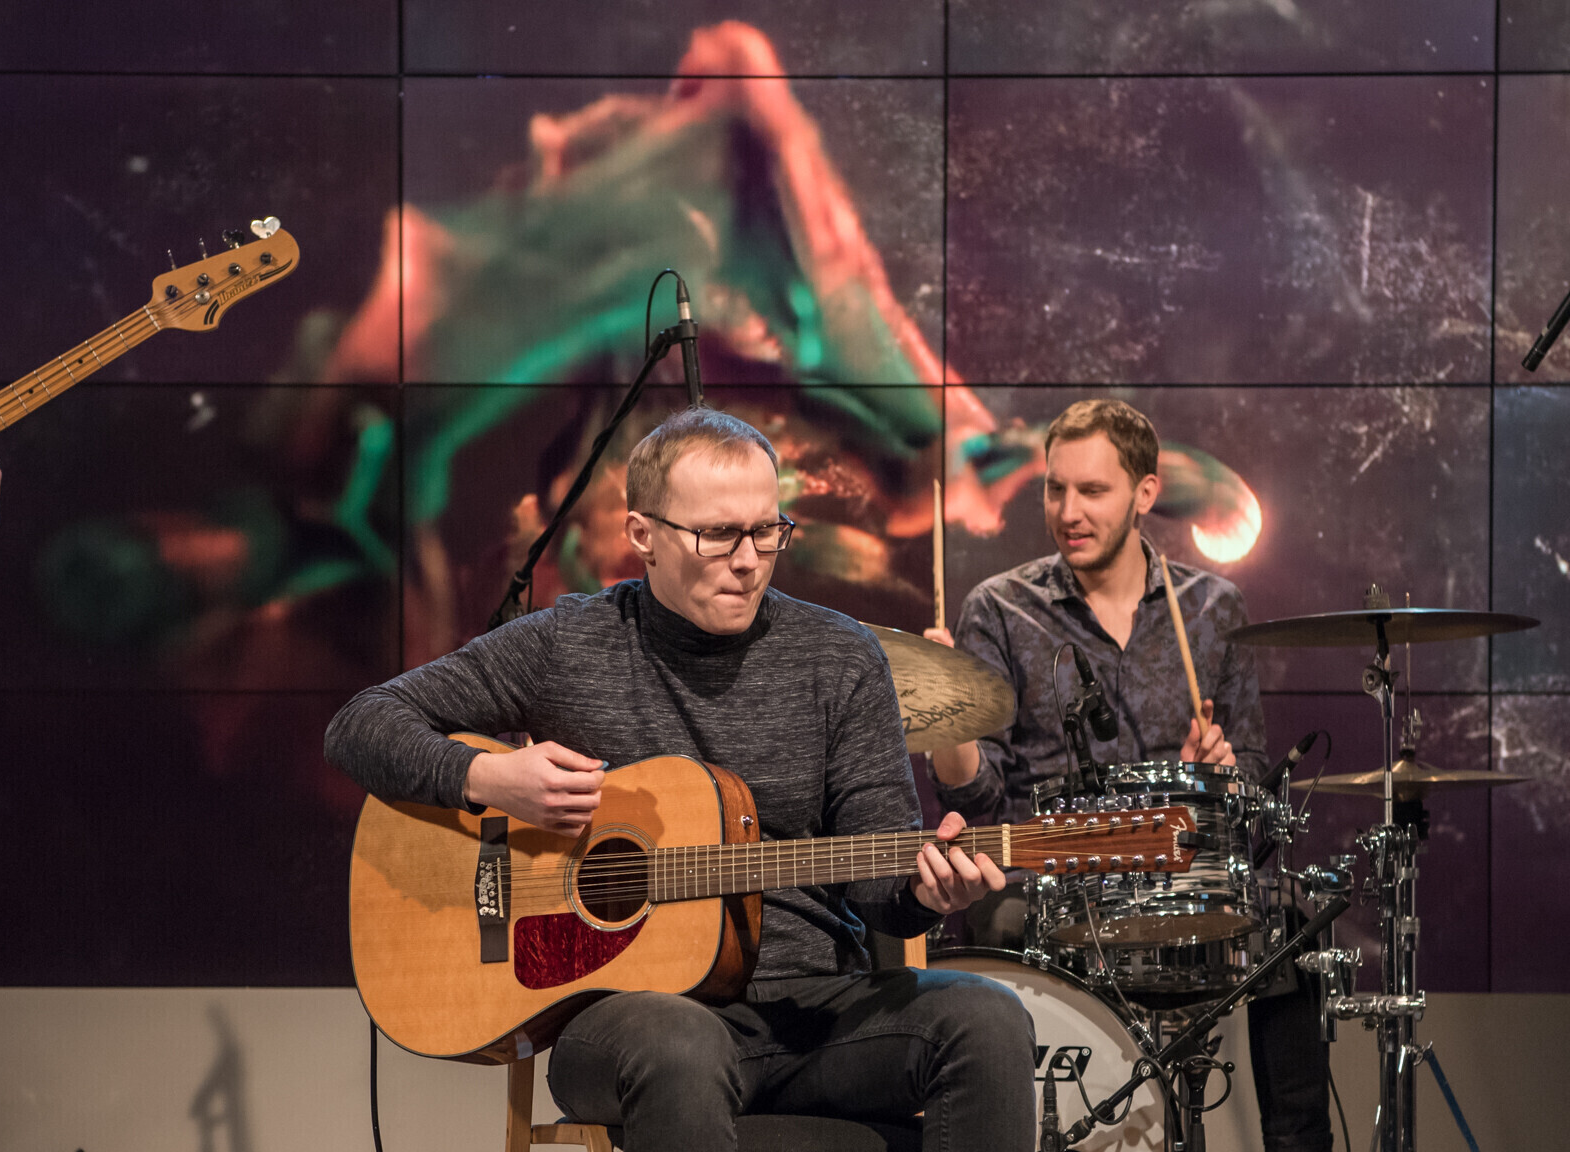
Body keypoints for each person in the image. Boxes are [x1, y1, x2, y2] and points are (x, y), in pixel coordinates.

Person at [328, 407, 1031, 1152]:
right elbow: (360, 724)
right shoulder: (568, 645)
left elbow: (879, 884)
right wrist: (487, 776)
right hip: (631, 1019)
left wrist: (924, 893)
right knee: (680, 1045)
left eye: (767, 531)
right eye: (718, 534)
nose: (748, 561)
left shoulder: (840, 657)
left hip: (813, 1013)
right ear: (643, 535)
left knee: (986, 1020)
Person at [926, 398, 1331, 1152]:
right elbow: (982, 802)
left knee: (1291, 915)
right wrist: (948, 730)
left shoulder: (1212, 610)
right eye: (1055, 489)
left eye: (1092, 491)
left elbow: (1249, 793)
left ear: (1145, 493)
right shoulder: (1001, 610)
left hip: (1173, 871)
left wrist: (1216, 779)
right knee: (1001, 917)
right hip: (1052, 881)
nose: (1067, 511)